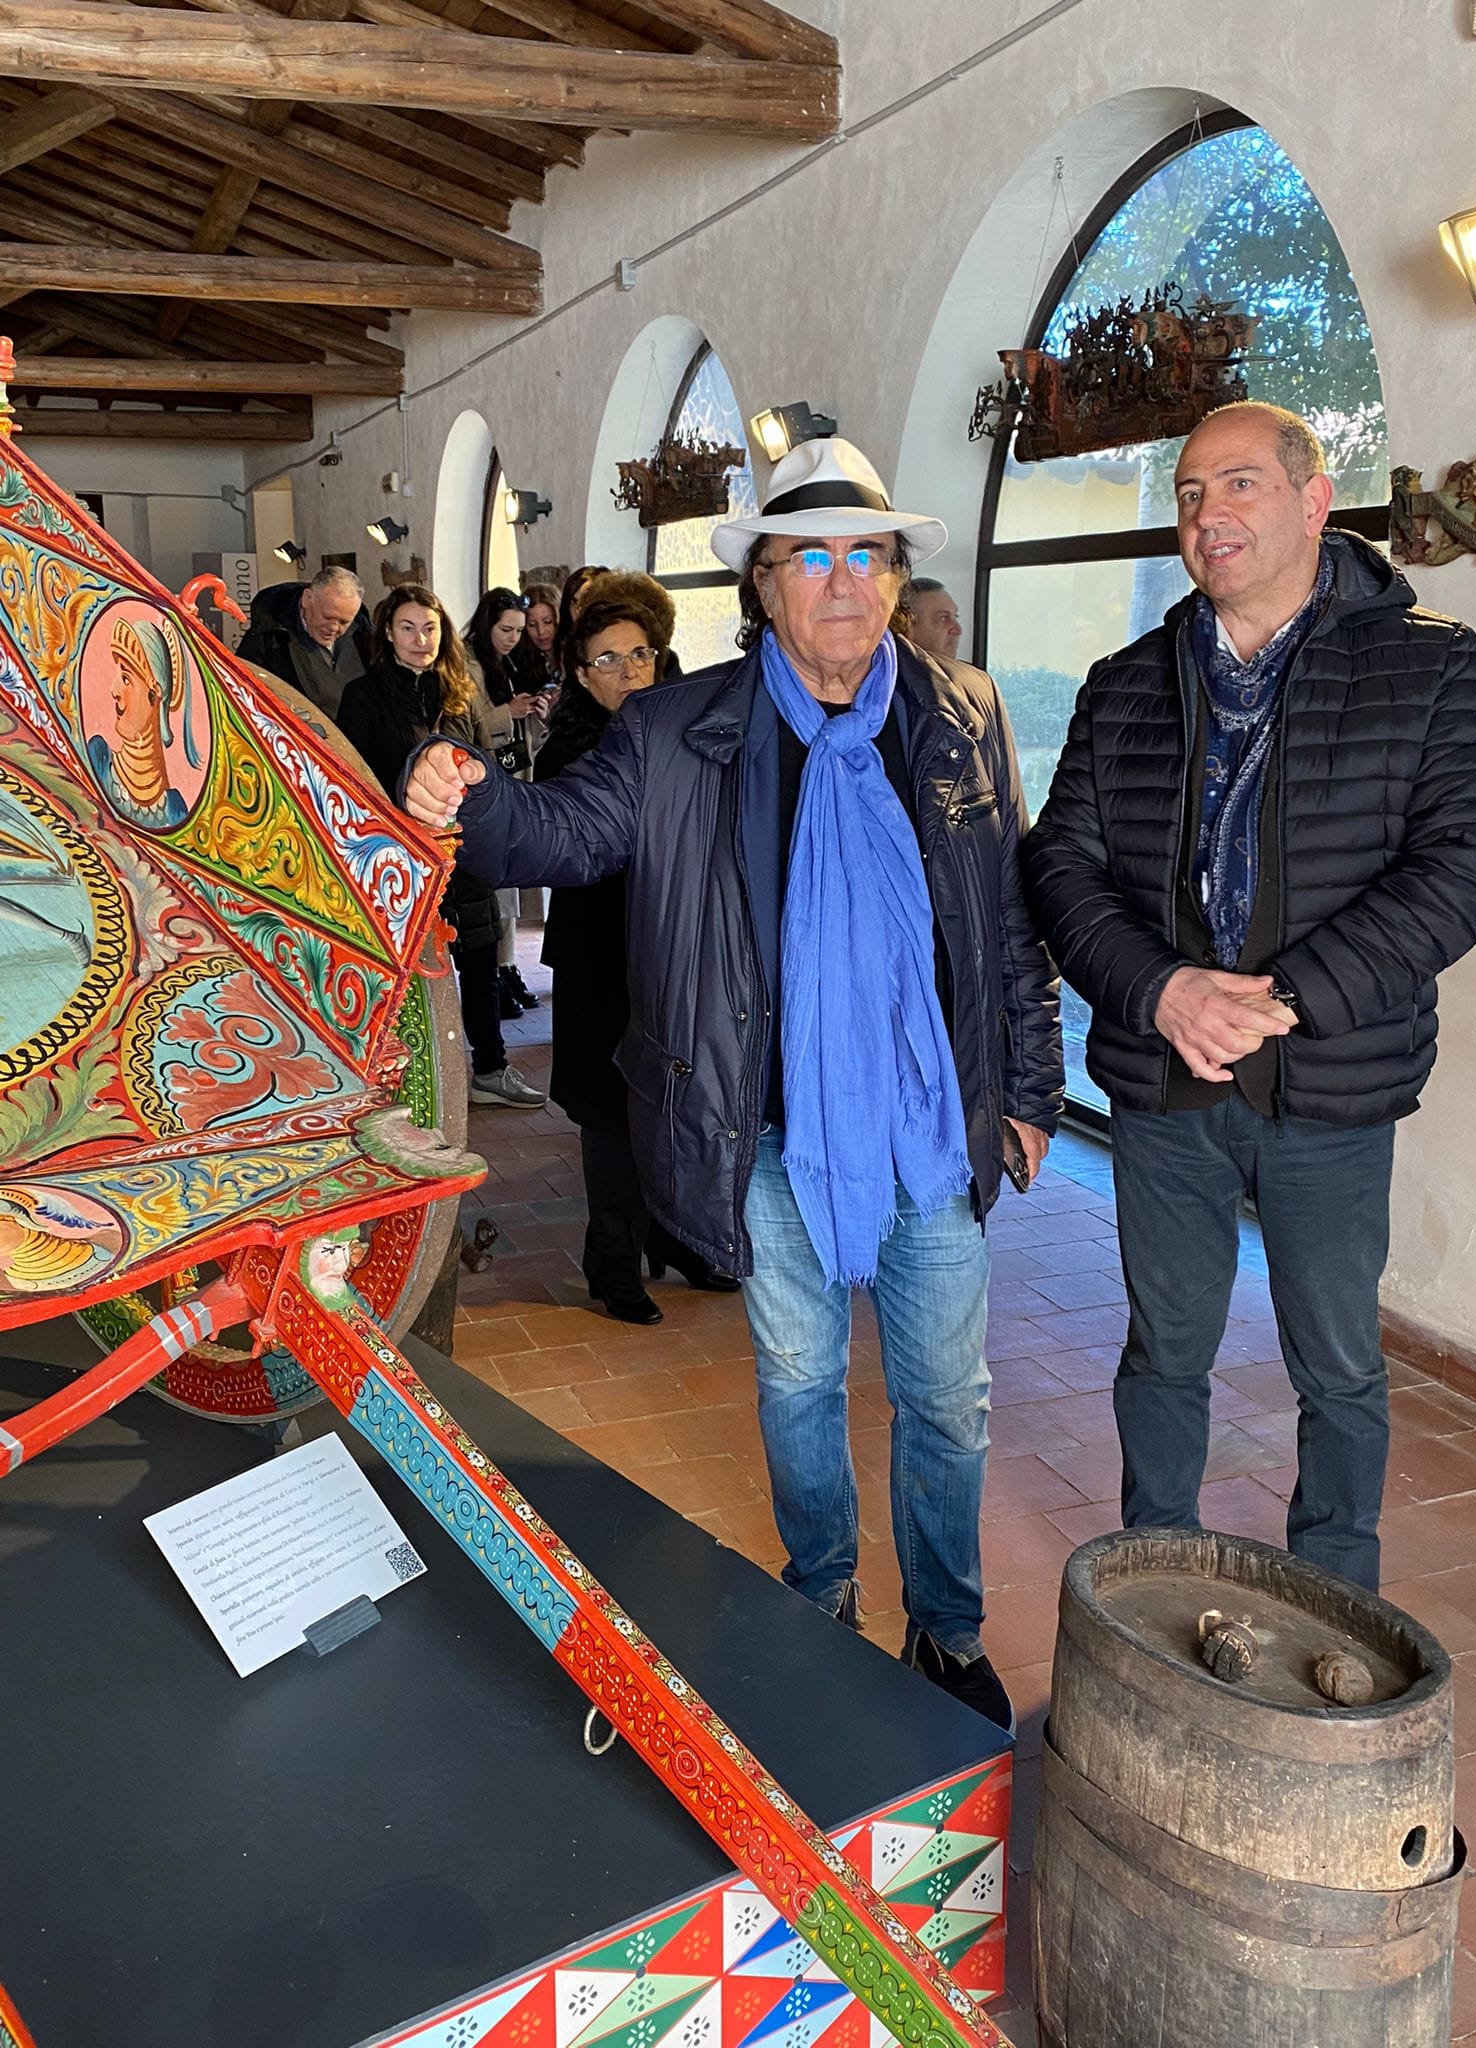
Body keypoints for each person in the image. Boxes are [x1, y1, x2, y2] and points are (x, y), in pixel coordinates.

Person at [404, 438, 1064, 1731]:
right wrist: (461, 793)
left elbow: (1006, 920)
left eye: (864, 554)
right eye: (808, 555)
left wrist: (1031, 1093)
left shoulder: (958, 716)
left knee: (946, 1401)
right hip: (766, 1129)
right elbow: (564, 836)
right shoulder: (675, 730)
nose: (841, 582)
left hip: (933, 1127)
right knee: (801, 1386)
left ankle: (946, 1626)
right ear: (762, 586)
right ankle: (818, 1597)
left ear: (891, 576)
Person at [1023, 401, 1476, 1592]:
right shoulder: (1126, 681)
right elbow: (1060, 861)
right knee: (1164, 1351)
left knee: (1340, 1364)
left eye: (1239, 484)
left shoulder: (1427, 661)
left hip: (1332, 1087)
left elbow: (1474, 864)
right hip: (1165, 1081)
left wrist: (1288, 995)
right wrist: (1165, 990)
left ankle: (1336, 1594)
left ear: (1312, 501)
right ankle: (1152, 1574)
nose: (1209, 513)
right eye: (1191, 493)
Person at [535, 570, 739, 1323]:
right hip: (600, 952)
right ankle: (612, 1258)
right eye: (607, 660)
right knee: (611, 1111)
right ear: (580, 675)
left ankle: (675, 1239)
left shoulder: (687, 727)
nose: (628, 671)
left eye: (640, 654)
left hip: (673, 942)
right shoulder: (570, 751)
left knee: (674, 1100)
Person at [337, 583, 546, 1111]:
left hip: (462, 849)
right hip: (397, 855)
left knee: (479, 958)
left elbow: (480, 764)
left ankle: (491, 1069)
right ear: (388, 632)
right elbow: (356, 780)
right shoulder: (363, 696)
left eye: (429, 628)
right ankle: (395, 1079)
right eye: (407, 627)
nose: (420, 638)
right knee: (405, 971)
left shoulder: (459, 689)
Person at [463, 587, 543, 1020]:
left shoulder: (505, 662)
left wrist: (532, 710)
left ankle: (506, 967)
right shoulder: (466, 663)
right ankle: (496, 973)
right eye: (505, 629)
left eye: (518, 630)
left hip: (512, 776)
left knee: (508, 883)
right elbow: (467, 722)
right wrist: (507, 712)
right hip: (486, 781)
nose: (513, 637)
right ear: (486, 624)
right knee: (493, 884)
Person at [89, 614, 200, 830]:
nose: (114, 691)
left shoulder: (175, 809)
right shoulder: (98, 755)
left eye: (126, 679)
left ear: (154, 693)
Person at [236, 566, 370, 719]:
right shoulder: (267, 641)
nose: (334, 628)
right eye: (327, 617)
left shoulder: (363, 635)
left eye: (344, 622)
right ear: (307, 599)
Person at [903, 577, 963, 663]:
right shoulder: (891, 674)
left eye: (956, 616)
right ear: (909, 625)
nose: (958, 630)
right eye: (943, 618)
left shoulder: (966, 674)